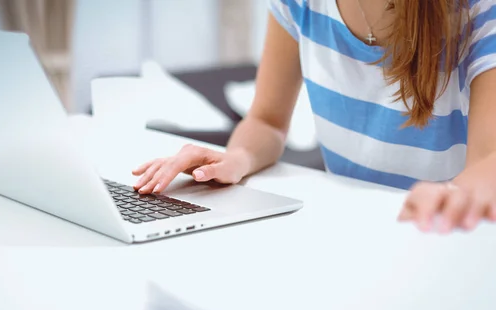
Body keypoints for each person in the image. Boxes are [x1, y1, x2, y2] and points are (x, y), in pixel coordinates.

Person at [132, 0, 496, 234]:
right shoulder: (299, 4)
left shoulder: (478, 12)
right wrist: (235, 159)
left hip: (442, 236)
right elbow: (266, 121)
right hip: (351, 230)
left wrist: (453, 201)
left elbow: (487, 162)